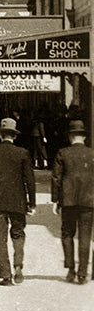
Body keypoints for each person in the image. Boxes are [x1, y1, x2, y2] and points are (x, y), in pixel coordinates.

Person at [0, 117, 36, 286]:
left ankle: (6, 275)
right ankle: (18, 264)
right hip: (18, 202)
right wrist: (31, 202)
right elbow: (30, 180)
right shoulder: (22, 153)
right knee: (18, 234)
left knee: (0, 239)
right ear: (15, 136)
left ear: (0, 135)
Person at [51, 119, 94, 285]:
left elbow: (56, 178)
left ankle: (70, 269)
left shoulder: (63, 153)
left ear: (70, 137)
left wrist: (55, 200)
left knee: (67, 233)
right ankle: (83, 273)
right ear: (84, 137)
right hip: (88, 201)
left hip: (68, 201)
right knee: (85, 235)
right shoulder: (92, 154)